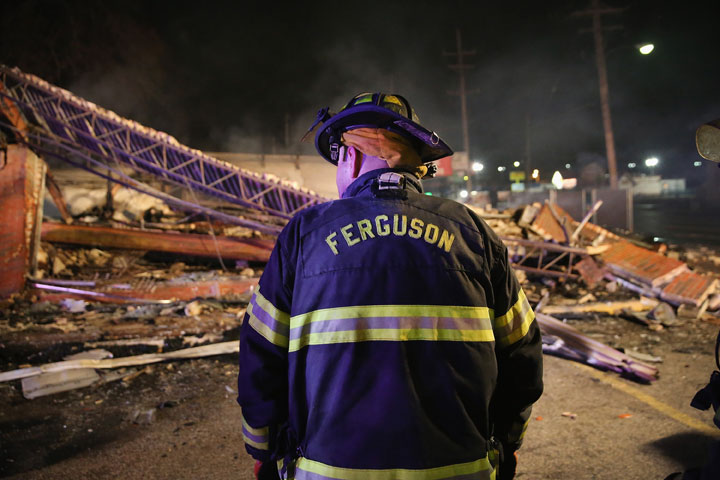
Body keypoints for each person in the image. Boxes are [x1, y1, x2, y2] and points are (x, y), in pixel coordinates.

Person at [238, 92, 543, 480]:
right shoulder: (473, 233)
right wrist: (505, 443)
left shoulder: (306, 233)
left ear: (350, 156)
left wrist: (265, 451)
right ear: (417, 163)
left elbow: (261, 356)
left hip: (329, 471)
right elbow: (522, 355)